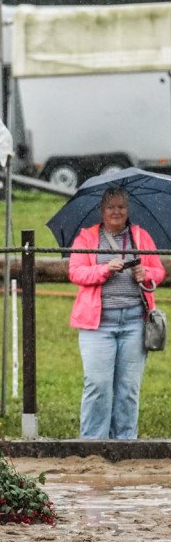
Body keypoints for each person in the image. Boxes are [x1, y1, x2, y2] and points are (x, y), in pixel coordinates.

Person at [69, 186, 164, 439]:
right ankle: (92, 444)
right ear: (101, 211)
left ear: (128, 210)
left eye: (121, 206)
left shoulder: (141, 236)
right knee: (98, 385)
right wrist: (104, 270)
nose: (116, 211)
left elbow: (158, 270)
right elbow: (75, 272)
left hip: (135, 321)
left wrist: (147, 274)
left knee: (128, 389)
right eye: (110, 207)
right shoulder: (86, 238)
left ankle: (125, 443)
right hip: (97, 324)